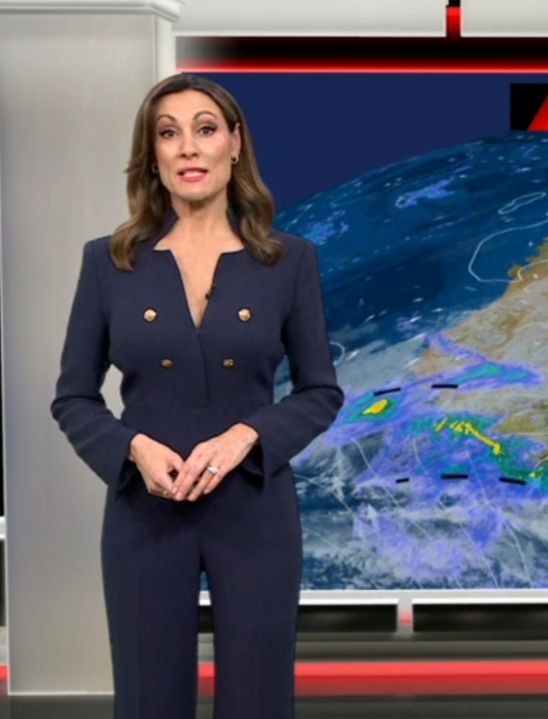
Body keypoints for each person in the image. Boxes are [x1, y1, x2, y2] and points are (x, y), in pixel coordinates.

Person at [50, 72, 345, 719]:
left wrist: (249, 435)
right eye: (168, 133)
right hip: (145, 515)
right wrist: (132, 449)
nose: (188, 147)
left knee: (259, 701)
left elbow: (321, 391)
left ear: (234, 144)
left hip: (256, 511)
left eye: (205, 129)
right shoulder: (108, 263)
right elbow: (73, 397)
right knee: (148, 700)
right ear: (152, 154)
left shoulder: (289, 261)